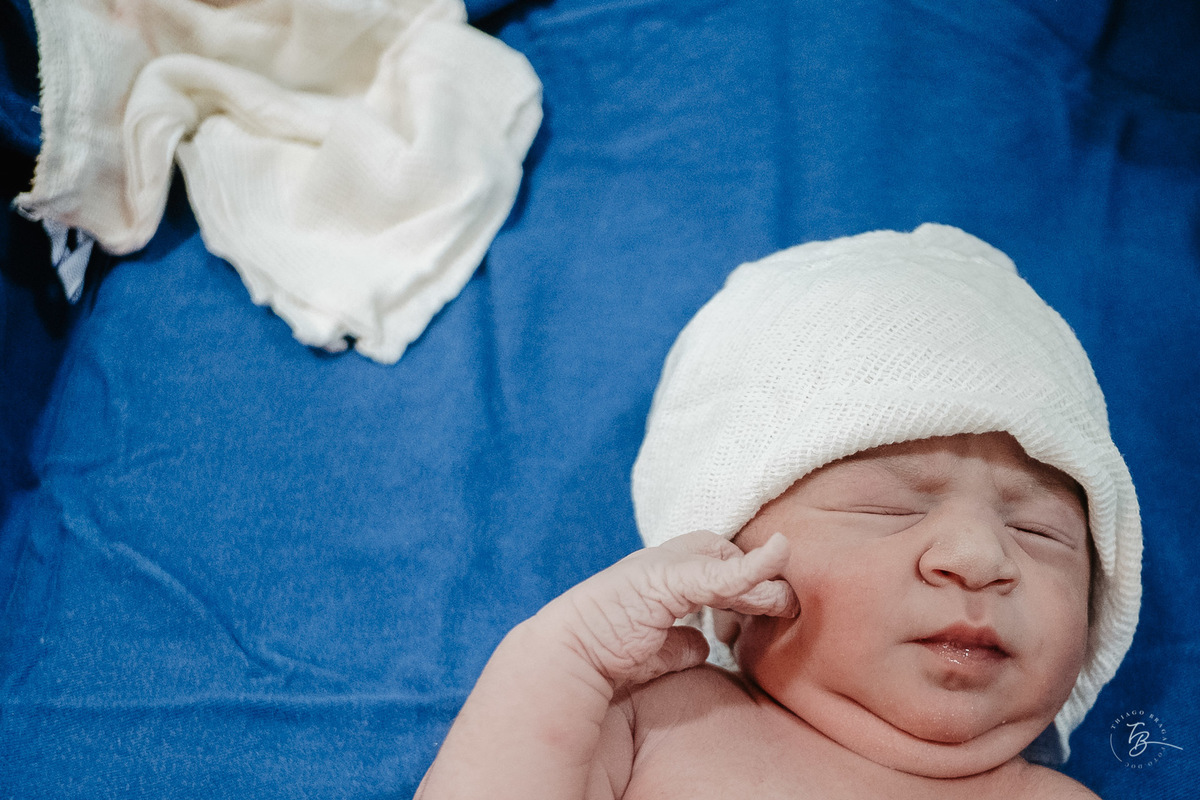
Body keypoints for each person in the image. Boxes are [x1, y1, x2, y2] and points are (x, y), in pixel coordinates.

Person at [415, 224, 1142, 799]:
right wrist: (562, 658)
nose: (984, 558)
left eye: (1040, 531)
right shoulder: (663, 727)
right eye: (889, 508)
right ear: (725, 576)